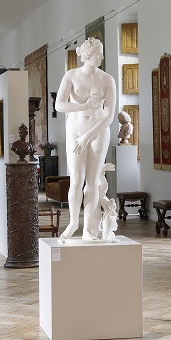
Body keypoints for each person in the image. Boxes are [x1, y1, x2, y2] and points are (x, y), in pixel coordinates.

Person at [55, 37, 116, 241]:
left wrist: (88, 136)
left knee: (92, 182)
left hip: (98, 132)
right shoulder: (71, 76)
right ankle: (73, 223)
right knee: (76, 181)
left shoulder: (107, 80)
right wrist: (85, 106)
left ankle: (89, 229)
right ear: (88, 55)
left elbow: (108, 115)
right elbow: (59, 105)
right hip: (75, 131)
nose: (101, 57)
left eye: (102, 53)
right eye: (98, 54)